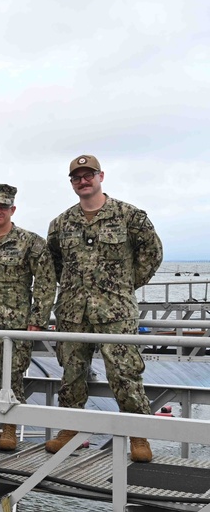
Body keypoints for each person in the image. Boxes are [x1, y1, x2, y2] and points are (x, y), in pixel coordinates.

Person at [46, 155, 163, 463]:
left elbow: (152, 252)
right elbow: (55, 262)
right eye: (76, 177)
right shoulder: (60, 224)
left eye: (88, 175)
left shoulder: (129, 215)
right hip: (72, 311)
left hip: (116, 312)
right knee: (72, 373)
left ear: (101, 176)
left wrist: (123, 285)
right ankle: (69, 429)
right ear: (72, 183)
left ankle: (138, 434)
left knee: (125, 373)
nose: (83, 181)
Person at [0, 184, 56, 451]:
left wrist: (38, 318)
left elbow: (46, 281)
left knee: (12, 377)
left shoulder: (30, 242)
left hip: (15, 324)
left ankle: (10, 430)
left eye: (3, 207)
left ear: (12, 209)